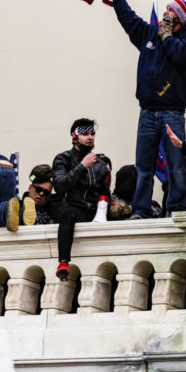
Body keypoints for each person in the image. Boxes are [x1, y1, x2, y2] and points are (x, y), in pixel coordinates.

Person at [105, 0, 186, 217]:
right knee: (143, 166)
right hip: (147, 111)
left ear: (180, 17)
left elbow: (180, 56)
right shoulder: (150, 34)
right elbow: (129, 19)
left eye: (170, 11)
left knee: (176, 165)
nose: (165, 13)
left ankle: (177, 208)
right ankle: (141, 209)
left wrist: (167, 36)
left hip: (172, 112)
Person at [52, 119, 112, 281]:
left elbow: (105, 191)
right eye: (85, 134)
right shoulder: (63, 158)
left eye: (92, 134)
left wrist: (105, 207)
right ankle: (63, 262)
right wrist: (81, 166)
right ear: (74, 136)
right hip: (72, 208)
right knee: (67, 213)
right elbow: (60, 185)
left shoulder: (100, 163)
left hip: (94, 210)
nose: (90, 137)